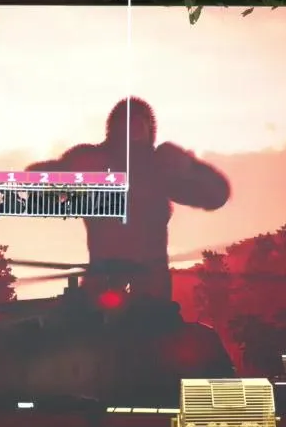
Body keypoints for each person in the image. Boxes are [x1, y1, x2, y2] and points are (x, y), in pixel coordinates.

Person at [26, 97, 231, 301]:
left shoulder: (157, 166)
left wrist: (189, 167)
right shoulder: (95, 160)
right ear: (115, 127)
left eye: (138, 123)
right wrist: (73, 174)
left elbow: (217, 195)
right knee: (87, 310)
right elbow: (33, 187)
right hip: (106, 278)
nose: (133, 129)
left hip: (147, 285)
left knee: (150, 310)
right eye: (127, 123)